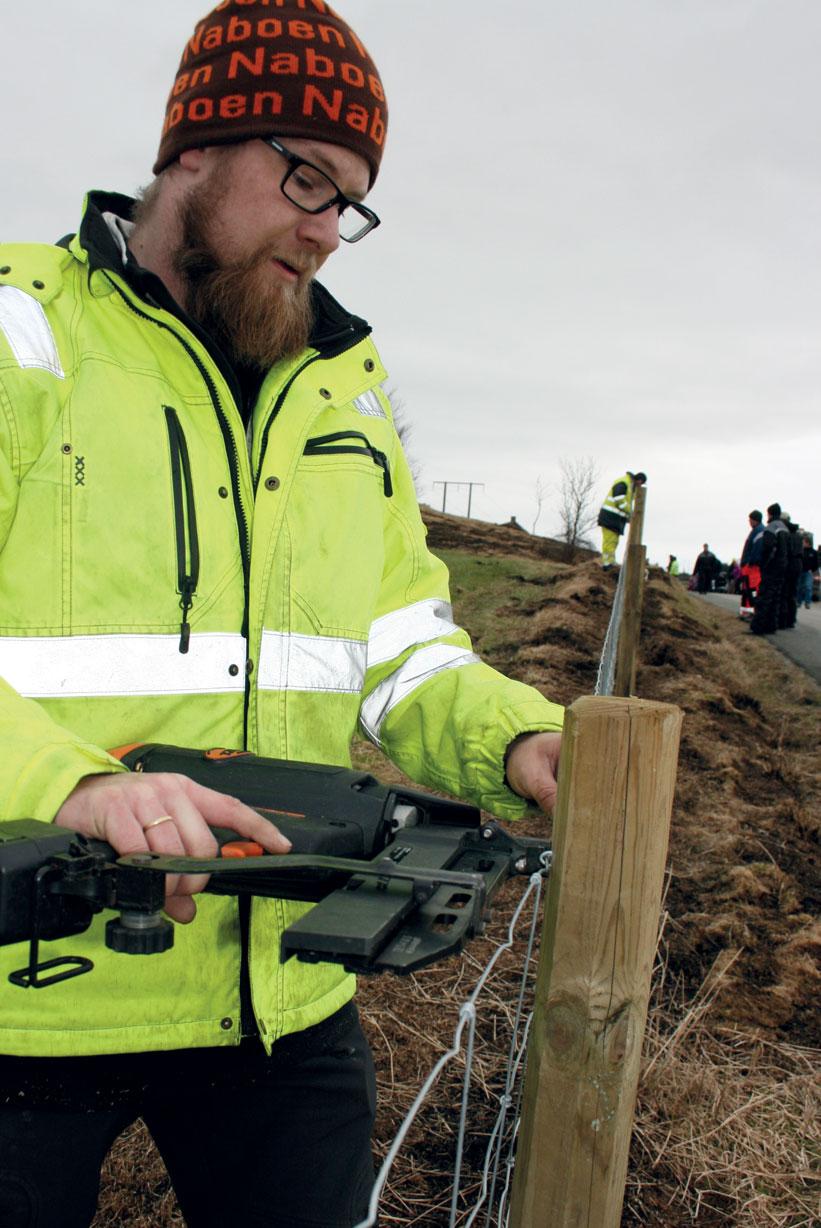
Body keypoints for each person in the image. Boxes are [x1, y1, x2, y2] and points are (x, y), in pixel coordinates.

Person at [0, 5, 565, 1226]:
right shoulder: (23, 330)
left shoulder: (346, 394)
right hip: (23, 993)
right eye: (303, 175)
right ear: (191, 148)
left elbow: (404, 644)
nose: (323, 228)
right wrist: (72, 786)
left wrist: (522, 739)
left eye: (348, 199)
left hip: (279, 989)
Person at [749, 504, 789, 635]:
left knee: (764, 596)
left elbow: (767, 548)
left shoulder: (771, 528)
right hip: (782, 566)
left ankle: (758, 626)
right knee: (775, 597)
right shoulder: (785, 528)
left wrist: (763, 563)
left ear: (769, 514)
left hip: (771, 567)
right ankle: (772, 625)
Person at [597, 470, 646, 567]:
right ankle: (607, 564)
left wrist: (626, 516)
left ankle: (610, 561)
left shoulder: (629, 485)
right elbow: (619, 499)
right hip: (609, 517)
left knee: (614, 541)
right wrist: (629, 512)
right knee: (609, 541)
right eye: (641, 484)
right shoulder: (624, 482)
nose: (640, 486)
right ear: (639, 481)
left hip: (614, 518)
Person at [777, 514, 804, 630]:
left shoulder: (785, 532)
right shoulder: (798, 535)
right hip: (797, 565)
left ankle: (782, 620)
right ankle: (791, 620)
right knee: (792, 593)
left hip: (789, 564)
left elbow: (785, 551)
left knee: (784, 592)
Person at [739, 509, 765, 618]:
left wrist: (749, 562)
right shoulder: (756, 531)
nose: (749, 522)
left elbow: (756, 550)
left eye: (750, 520)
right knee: (747, 590)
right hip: (748, 566)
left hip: (752, 567)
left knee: (752, 590)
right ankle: (746, 611)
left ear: (755, 520)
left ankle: (751, 612)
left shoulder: (759, 532)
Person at [797, 534, 819, 610]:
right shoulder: (801, 551)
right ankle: (798, 601)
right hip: (800, 571)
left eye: (804, 542)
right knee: (799, 587)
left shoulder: (813, 552)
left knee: (808, 587)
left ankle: (807, 602)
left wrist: (812, 570)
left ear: (808, 543)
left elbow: (816, 563)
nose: (803, 543)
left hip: (808, 572)